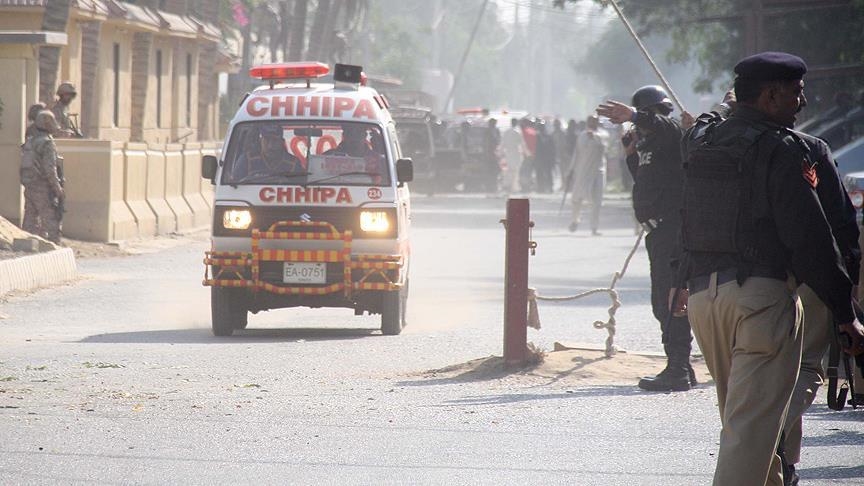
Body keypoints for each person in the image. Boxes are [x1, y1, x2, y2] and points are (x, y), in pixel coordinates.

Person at [679, 51, 864, 486]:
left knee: (750, 428)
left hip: (705, 302)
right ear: (771, 95)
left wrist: (726, 106)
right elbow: (815, 239)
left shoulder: (701, 142)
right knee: (749, 434)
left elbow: (684, 215)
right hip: (762, 302)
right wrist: (845, 311)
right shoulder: (788, 150)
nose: (802, 103)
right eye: (796, 93)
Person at [597, 85, 696, 392]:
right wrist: (630, 155)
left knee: (670, 299)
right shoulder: (651, 145)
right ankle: (682, 365)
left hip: (672, 230)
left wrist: (634, 115)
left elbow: (666, 125)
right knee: (663, 301)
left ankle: (678, 368)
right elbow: (645, 180)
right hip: (659, 232)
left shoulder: (670, 134)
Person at [20, 110, 64, 243]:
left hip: (29, 186)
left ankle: (26, 247)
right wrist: (58, 190)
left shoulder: (30, 141)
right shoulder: (47, 143)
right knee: (51, 222)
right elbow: (50, 169)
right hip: (43, 187)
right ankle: (55, 250)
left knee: (29, 221)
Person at [567, 115, 606, 235]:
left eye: (595, 121)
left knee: (597, 200)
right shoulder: (582, 136)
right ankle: (575, 220)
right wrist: (571, 170)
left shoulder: (603, 134)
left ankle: (594, 227)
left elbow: (605, 146)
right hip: (582, 172)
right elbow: (576, 154)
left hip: (598, 171)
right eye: (590, 121)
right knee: (577, 198)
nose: (592, 124)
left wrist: (594, 137)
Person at [233, 125, 303, 180]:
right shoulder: (247, 160)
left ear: (282, 142)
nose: (270, 146)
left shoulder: (293, 163)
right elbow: (234, 186)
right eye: (267, 140)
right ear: (261, 141)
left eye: (275, 140)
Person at [501, 118, 524, 193]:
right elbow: (521, 143)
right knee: (515, 170)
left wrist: (502, 152)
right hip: (515, 152)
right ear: (516, 123)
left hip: (508, 152)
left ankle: (508, 185)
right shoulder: (517, 132)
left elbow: (503, 143)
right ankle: (513, 186)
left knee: (509, 169)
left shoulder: (506, 132)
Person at [534, 120, 556, 193]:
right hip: (542, 158)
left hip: (545, 158)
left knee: (547, 173)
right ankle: (541, 187)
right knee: (541, 173)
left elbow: (552, 148)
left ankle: (548, 187)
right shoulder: (537, 137)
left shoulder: (546, 137)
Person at [482, 118, 501, 193]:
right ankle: (489, 187)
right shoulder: (487, 132)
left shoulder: (496, 131)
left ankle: (494, 187)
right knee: (489, 172)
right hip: (489, 154)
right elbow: (485, 143)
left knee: (495, 172)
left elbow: (498, 141)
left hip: (494, 154)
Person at [518, 118, 537, 192]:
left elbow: (524, 144)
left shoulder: (524, 132)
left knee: (524, 171)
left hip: (527, 155)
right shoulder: (532, 131)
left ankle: (525, 187)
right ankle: (528, 186)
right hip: (532, 154)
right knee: (528, 171)